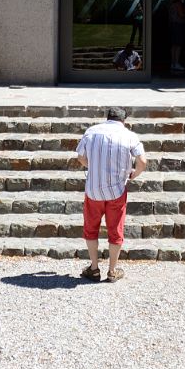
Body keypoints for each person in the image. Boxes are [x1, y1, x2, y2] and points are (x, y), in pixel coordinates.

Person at [76, 107, 146, 282]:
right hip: (116, 191)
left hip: (93, 190)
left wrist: (92, 166)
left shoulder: (91, 131)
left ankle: (93, 268)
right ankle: (112, 271)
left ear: (107, 118)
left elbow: (80, 157)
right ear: (124, 120)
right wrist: (133, 174)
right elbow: (143, 161)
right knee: (115, 230)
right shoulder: (129, 135)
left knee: (91, 229)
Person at [167, 0, 185, 73]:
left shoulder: (171, 3)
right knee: (178, 45)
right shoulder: (178, 4)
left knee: (174, 45)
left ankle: (173, 63)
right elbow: (181, 15)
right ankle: (176, 63)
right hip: (178, 25)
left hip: (172, 25)